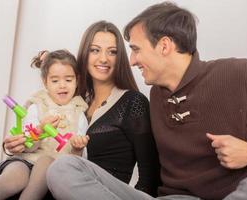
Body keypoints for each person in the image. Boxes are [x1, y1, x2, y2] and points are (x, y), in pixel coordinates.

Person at [44, 2, 247, 200]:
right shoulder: (156, 95)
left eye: (136, 49)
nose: (132, 60)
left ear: (164, 46)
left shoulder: (239, 74)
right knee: (63, 169)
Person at [45, 20, 161, 199]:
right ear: (85, 53)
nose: (103, 59)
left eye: (112, 52)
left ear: (120, 57)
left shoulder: (133, 102)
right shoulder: (75, 103)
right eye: (95, 50)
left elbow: (150, 173)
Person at [0, 49, 89, 200]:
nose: (62, 85)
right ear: (45, 82)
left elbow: (80, 160)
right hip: (26, 160)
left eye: (68, 80)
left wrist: (77, 147)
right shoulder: (36, 106)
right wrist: (40, 129)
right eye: (55, 81)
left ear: (77, 80)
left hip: (52, 167)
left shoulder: (79, 114)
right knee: (15, 178)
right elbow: (28, 145)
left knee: (45, 162)